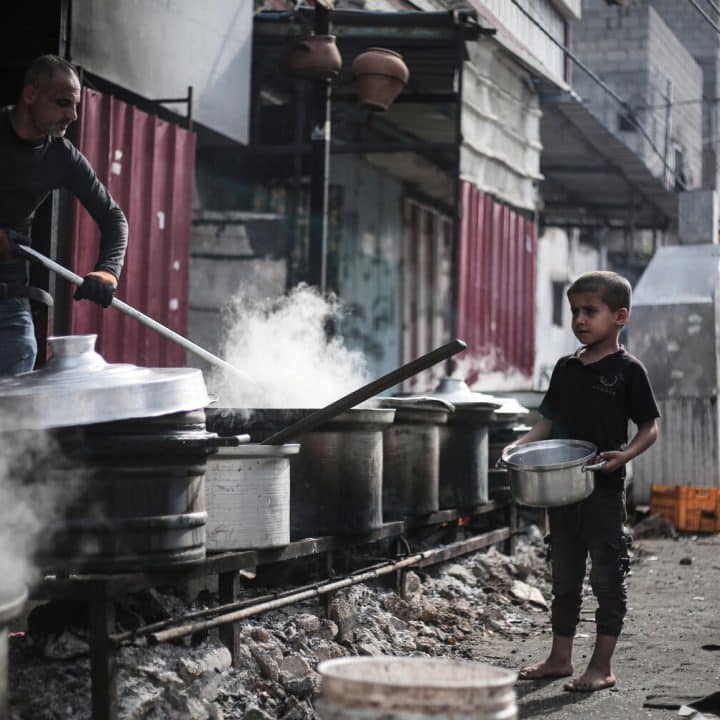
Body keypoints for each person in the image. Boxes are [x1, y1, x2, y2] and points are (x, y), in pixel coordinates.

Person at [507, 270, 659, 692]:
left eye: (590, 311)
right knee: (565, 576)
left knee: (607, 577)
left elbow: (650, 428)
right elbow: (547, 423)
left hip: (603, 490)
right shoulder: (566, 368)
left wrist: (625, 455)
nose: (579, 320)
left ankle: (602, 666)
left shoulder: (629, 370)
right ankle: (559, 659)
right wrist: (515, 449)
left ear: (620, 316)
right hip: (561, 492)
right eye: (574, 311)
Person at [0, 54, 128, 375]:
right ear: (30, 95)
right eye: (62, 103)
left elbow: (113, 217)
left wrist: (107, 271)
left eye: (75, 106)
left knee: (20, 360)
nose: (71, 115)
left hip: (8, 296)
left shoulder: (62, 157)